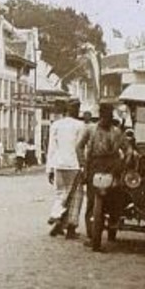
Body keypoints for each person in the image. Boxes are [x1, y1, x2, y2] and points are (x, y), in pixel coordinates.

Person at [80, 105, 126, 252]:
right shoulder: (90, 130)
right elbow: (79, 146)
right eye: (104, 115)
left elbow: (126, 148)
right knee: (92, 200)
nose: (106, 118)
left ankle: (113, 224)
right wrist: (82, 164)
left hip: (112, 165)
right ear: (100, 115)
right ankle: (91, 234)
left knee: (115, 196)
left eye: (109, 115)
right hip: (94, 164)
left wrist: (125, 161)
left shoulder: (117, 132)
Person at [46, 100, 86, 237]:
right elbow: (82, 148)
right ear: (76, 109)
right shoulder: (81, 125)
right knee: (75, 197)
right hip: (74, 165)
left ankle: (57, 218)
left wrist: (50, 169)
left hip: (58, 164)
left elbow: (51, 148)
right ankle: (70, 228)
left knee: (60, 193)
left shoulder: (56, 125)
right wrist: (84, 165)